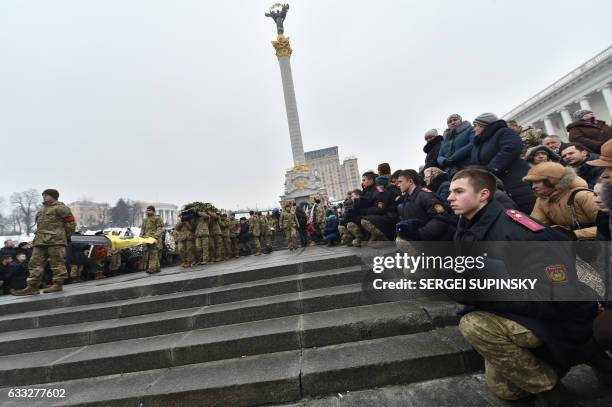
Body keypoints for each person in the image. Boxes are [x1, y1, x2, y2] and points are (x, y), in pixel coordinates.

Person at [448, 169, 598, 406]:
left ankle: (555, 391)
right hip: (515, 308)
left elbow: (556, 295)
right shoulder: (466, 226)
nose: (449, 198)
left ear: (483, 194)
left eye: (458, 191)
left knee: (474, 325)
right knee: (507, 391)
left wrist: (483, 297)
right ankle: (578, 358)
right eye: (450, 192)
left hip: (560, 315)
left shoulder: (517, 231)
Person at [13, 189, 76, 295]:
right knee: (34, 263)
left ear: (54, 196)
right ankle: (32, 286)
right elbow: (40, 227)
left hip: (56, 240)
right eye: (43, 195)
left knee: (57, 263)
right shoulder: (41, 210)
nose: (44, 197)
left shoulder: (61, 208)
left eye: (46, 195)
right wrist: (35, 240)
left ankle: (58, 284)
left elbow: (71, 223)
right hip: (40, 241)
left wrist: (65, 237)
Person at [470, 112, 535, 213]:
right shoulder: (478, 143)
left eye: (476, 126)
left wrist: (492, 169)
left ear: (484, 125)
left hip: (514, 178)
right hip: (496, 183)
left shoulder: (504, 132)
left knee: (528, 212)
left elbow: (511, 148)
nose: (474, 129)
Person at [524, 162, 599, 240]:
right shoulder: (541, 200)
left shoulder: (583, 196)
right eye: (532, 183)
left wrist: (574, 235)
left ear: (552, 181)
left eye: (536, 182)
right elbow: (536, 226)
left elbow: (607, 227)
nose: (533, 187)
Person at [395, 169, 456, 244]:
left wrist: (419, 234)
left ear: (410, 182)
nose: (398, 185)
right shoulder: (407, 198)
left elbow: (441, 219)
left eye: (401, 181)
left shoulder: (425, 196)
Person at [361, 175, 401, 241]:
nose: (363, 183)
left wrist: (365, 211)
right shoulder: (374, 192)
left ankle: (384, 238)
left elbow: (380, 208)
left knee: (364, 220)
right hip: (386, 214)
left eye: (364, 180)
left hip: (390, 216)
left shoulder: (381, 192)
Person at [139, 205, 164, 275]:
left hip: (154, 238)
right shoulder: (145, 220)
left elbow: (160, 228)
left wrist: (156, 235)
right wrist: (140, 237)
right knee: (151, 253)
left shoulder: (157, 218)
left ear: (153, 211)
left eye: (149, 210)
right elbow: (142, 229)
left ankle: (151, 268)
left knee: (153, 253)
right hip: (147, 239)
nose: (147, 211)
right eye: (147, 210)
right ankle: (157, 267)